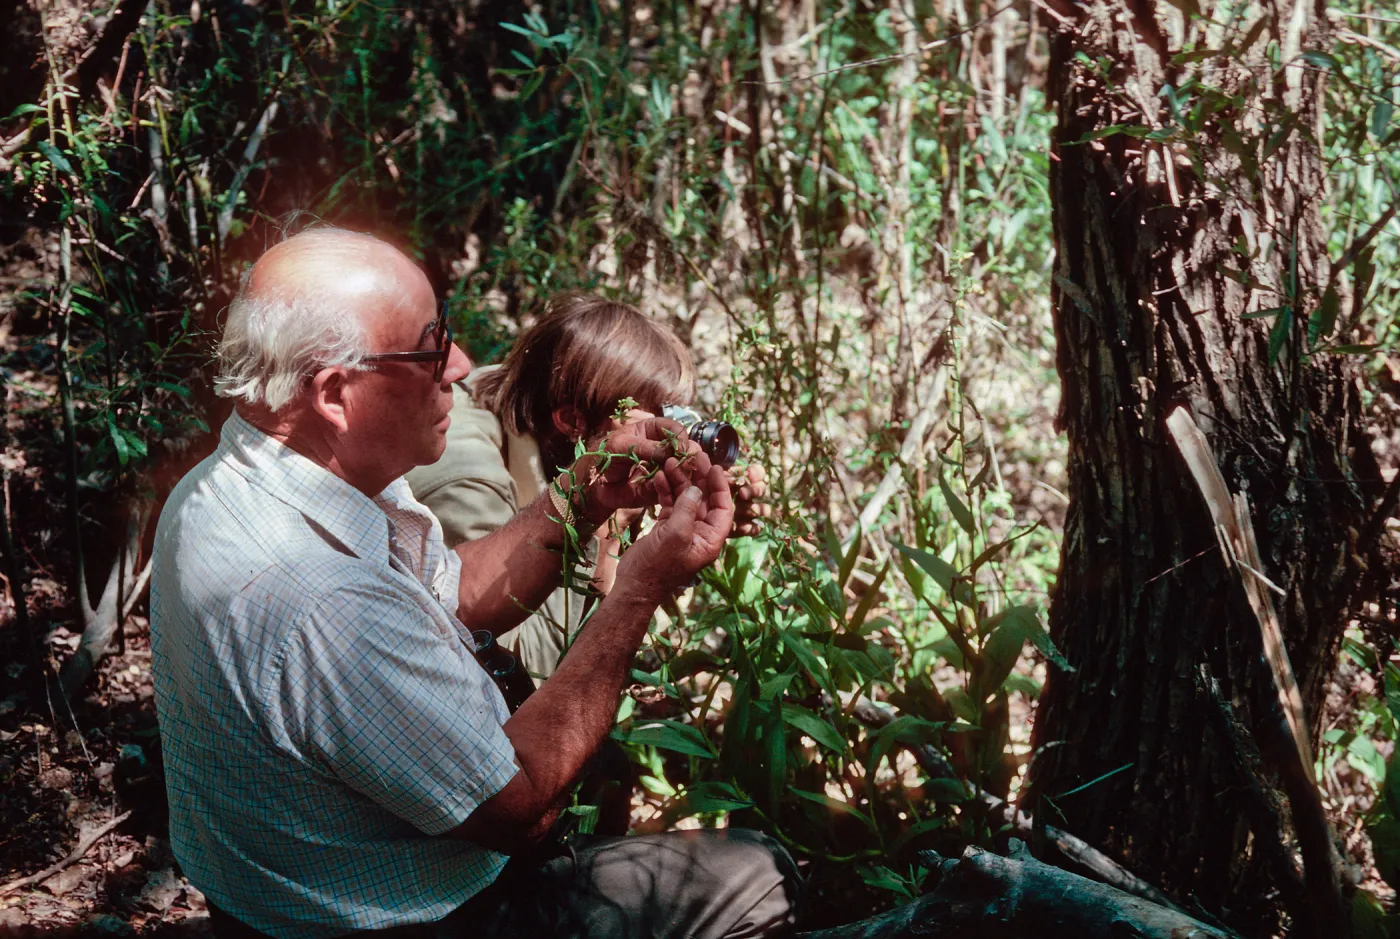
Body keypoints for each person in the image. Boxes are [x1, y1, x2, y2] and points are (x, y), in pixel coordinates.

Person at [149, 228, 801, 939]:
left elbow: (452, 595)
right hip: (406, 918)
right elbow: (520, 805)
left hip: (282, 897)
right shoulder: (326, 603)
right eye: (429, 347)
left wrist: (580, 497)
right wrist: (638, 588)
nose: (456, 363)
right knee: (759, 875)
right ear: (335, 392)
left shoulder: (233, 484)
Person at [405, 293, 769, 683]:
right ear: (572, 420)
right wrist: (606, 519)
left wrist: (683, 532)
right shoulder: (465, 479)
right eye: (658, 415)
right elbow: (523, 666)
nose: (671, 431)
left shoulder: (541, 409)